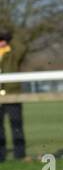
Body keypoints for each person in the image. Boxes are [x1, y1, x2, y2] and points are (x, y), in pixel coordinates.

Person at [0, 31, 26, 163]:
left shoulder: (13, 54)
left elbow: (22, 47)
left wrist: (11, 35)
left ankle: (20, 155)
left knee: (16, 125)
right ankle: (1, 156)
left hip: (12, 93)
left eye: (3, 39)